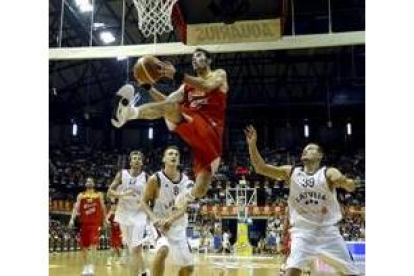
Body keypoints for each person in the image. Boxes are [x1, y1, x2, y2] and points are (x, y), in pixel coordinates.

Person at [111, 48, 229, 209]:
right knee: (169, 107)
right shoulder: (185, 87)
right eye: (193, 57)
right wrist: (148, 87)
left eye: (199, 55)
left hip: (211, 131)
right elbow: (166, 103)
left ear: (209, 60)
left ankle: (186, 196)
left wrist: (176, 75)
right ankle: (130, 113)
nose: (195, 59)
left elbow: (207, 86)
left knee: (201, 189)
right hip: (192, 122)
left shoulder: (219, 74)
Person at [245, 125, 360, 276]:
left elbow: (339, 178)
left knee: (351, 273)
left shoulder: (326, 172)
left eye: (311, 148)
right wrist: (252, 145)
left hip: (327, 233)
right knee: (291, 272)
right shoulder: (292, 172)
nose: (306, 150)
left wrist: (347, 183)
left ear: (320, 155)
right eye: (305, 149)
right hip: (302, 233)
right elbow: (261, 168)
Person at [141, 146, 195, 276]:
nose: (173, 156)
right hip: (159, 225)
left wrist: (170, 220)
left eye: (176, 154)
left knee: (188, 268)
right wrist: (154, 219)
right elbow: (143, 202)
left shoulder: (186, 181)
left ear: (179, 160)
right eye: (170, 154)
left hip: (177, 225)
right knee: (163, 250)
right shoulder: (156, 179)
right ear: (164, 159)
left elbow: (184, 208)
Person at [107, 151, 149, 276]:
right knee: (132, 248)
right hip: (124, 214)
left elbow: (153, 194)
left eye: (139, 159)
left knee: (136, 247)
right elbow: (110, 191)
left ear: (142, 162)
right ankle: (143, 271)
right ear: (130, 161)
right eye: (134, 158)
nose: (136, 160)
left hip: (139, 214)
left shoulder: (146, 177)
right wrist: (122, 194)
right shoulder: (122, 174)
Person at [68, 177, 106, 276]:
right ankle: (86, 266)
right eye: (87, 181)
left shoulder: (98, 195)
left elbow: (103, 208)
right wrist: (72, 219)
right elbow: (76, 208)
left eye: (90, 181)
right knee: (84, 247)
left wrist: (105, 220)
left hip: (95, 224)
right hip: (84, 224)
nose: (88, 182)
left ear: (93, 183)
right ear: (85, 184)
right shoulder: (81, 195)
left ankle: (92, 266)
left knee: (94, 245)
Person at [105, 202, 122, 266]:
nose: (114, 207)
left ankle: (119, 260)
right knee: (113, 247)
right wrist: (108, 222)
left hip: (119, 233)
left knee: (118, 248)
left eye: (115, 206)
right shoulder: (110, 213)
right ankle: (109, 260)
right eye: (113, 206)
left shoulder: (120, 213)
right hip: (113, 233)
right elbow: (106, 220)